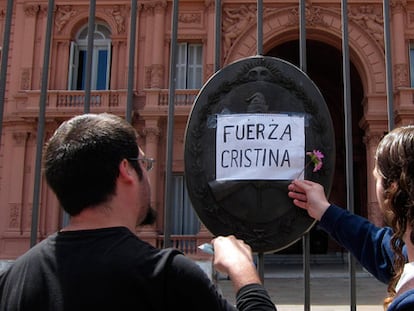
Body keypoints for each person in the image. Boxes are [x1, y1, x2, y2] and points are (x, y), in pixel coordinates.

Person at [0, 113, 275, 311]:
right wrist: (243, 271)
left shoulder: (14, 280)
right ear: (125, 170)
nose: (147, 172)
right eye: (144, 163)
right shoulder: (166, 276)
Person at [288, 125, 414, 310]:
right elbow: (377, 246)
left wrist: (247, 279)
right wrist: (325, 210)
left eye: (377, 177)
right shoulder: (406, 251)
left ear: (392, 188)